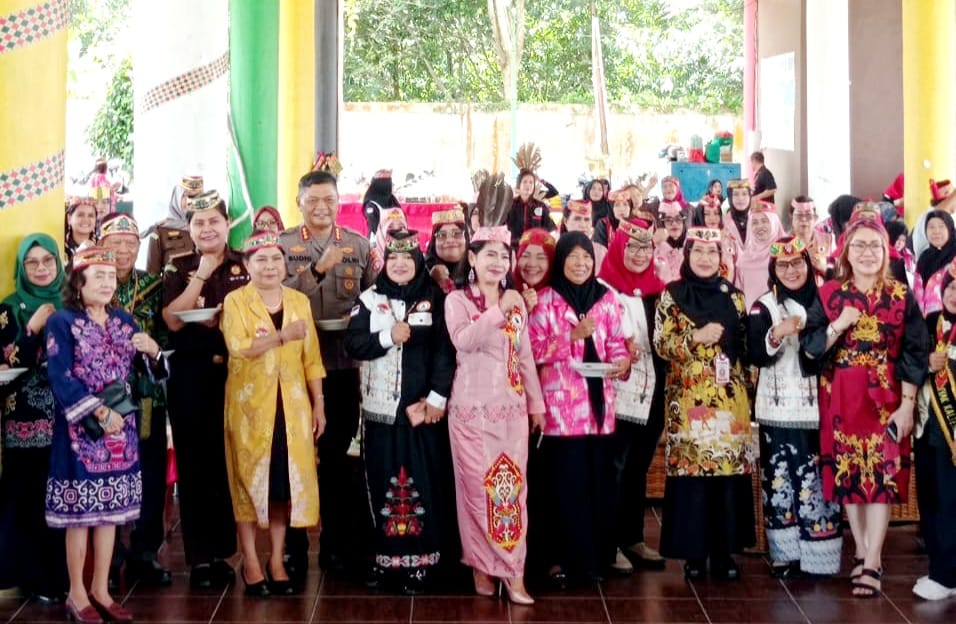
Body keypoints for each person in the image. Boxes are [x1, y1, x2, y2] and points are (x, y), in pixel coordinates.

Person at [802, 218, 928, 598]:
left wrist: (907, 406)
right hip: (841, 395)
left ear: (887, 252)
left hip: (887, 398)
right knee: (849, 476)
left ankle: (873, 560)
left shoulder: (901, 296)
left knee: (882, 478)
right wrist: (839, 325)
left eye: (875, 245)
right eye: (859, 245)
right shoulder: (829, 294)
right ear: (846, 252)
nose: (867, 253)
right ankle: (860, 549)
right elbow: (811, 349)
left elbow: (915, 351)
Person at [46, 246, 166, 624]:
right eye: (98, 276)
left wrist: (154, 352)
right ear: (78, 282)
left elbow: (149, 374)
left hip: (121, 432)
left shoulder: (124, 321)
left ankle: (101, 589)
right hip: (81, 432)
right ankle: (77, 593)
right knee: (81, 516)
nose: (106, 283)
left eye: (111, 277)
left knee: (110, 513)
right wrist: (99, 411)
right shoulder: (62, 322)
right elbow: (59, 377)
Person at [346, 230, 457, 595]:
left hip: (421, 413)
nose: (399, 264)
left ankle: (422, 563)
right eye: (393, 258)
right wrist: (387, 337)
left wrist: (436, 399)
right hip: (379, 414)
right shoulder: (369, 299)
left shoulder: (435, 299)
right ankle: (384, 560)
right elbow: (353, 343)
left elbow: (445, 352)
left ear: (418, 261)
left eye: (407, 258)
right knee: (379, 484)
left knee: (423, 483)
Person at [279, 170, 376, 577]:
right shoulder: (283, 245)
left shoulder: (358, 244)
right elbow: (276, 300)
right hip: (294, 368)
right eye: (313, 200)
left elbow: (374, 299)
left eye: (329, 200)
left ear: (339, 202)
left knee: (337, 457)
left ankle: (336, 546)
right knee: (296, 457)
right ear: (299, 202)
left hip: (341, 365)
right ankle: (294, 548)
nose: (322, 207)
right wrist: (317, 271)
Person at [444, 224, 545, 604]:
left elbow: (525, 355)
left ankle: (513, 572)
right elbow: (463, 341)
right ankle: (481, 567)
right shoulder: (457, 301)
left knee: (511, 491)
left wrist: (537, 404)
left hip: (512, 413)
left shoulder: (515, 299)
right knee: (475, 493)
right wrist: (497, 311)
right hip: (470, 414)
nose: (498, 262)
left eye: (504, 256)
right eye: (490, 254)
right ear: (472, 258)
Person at [221, 230, 325, 597]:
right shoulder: (236, 301)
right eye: (261, 260)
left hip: (292, 407)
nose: (269, 266)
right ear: (247, 265)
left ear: (285, 264)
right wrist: (281, 337)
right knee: (249, 483)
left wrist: (319, 403)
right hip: (251, 408)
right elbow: (238, 346)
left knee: (282, 487)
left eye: (276, 259)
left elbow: (312, 358)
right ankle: (251, 561)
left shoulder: (298, 301)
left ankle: (277, 560)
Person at [653, 227, 754, 580]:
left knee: (727, 477)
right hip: (688, 401)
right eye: (698, 252)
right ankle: (694, 553)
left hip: (730, 402)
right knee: (692, 476)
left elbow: (746, 346)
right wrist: (694, 337)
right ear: (687, 256)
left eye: (712, 252)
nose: (706, 258)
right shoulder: (671, 295)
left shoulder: (735, 298)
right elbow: (661, 344)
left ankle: (725, 552)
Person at [528, 232, 629, 584]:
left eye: (586, 257)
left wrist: (621, 362)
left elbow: (616, 343)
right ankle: (563, 561)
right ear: (560, 261)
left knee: (599, 486)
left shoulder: (607, 298)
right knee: (566, 489)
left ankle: (594, 561)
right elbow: (531, 350)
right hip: (561, 414)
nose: (580, 263)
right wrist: (569, 337)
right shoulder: (545, 299)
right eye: (573, 257)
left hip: (599, 413)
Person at [162, 190, 249, 589]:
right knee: (195, 465)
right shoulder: (178, 265)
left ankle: (225, 552)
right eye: (199, 223)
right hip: (191, 376)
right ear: (189, 228)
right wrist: (202, 272)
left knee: (227, 463)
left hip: (237, 373)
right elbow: (174, 320)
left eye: (214, 220)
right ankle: (200, 558)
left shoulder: (245, 263)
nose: (207, 228)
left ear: (227, 223)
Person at [747, 236, 842, 578]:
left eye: (797, 263)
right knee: (779, 479)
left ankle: (821, 554)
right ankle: (784, 553)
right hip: (777, 411)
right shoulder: (763, 306)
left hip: (821, 408)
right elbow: (753, 353)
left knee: (816, 479)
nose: (791, 271)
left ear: (808, 264)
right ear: (773, 270)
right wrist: (775, 335)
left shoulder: (826, 301)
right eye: (783, 265)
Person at [99, 214, 172, 587]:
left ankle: (145, 553)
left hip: (145, 397)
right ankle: (109, 560)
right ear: (102, 246)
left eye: (131, 243)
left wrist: (154, 348)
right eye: (116, 243)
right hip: (102, 400)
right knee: (106, 472)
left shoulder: (153, 285)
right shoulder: (91, 284)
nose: (124, 250)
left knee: (151, 474)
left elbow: (166, 338)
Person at [596, 219, 668, 573]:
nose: (639, 255)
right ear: (618, 248)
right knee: (613, 468)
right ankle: (607, 543)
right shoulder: (603, 289)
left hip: (652, 390)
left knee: (639, 465)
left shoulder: (659, 290)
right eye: (632, 247)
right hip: (616, 393)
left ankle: (632, 537)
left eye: (645, 247)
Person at [0, 234, 68, 603]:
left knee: (61, 500)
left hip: (68, 420)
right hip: (23, 421)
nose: (41, 268)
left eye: (48, 261)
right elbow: (8, 365)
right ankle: (31, 578)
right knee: (27, 500)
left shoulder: (71, 303)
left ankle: (59, 577)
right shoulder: (8, 309)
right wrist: (33, 330)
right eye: (32, 262)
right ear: (22, 267)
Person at [914, 261, 956, 600]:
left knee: (949, 499)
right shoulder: (930, 323)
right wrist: (927, 363)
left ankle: (947, 575)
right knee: (932, 497)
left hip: (951, 431)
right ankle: (940, 568)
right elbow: (908, 359)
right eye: (952, 288)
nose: (955, 295)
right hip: (930, 425)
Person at [145, 175, 204, 275]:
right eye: (186, 196)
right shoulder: (160, 232)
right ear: (177, 198)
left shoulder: (209, 228)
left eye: (197, 197)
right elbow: (152, 277)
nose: (192, 202)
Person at [736, 202, 786, 308]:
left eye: (764, 221)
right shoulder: (744, 259)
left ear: (774, 223)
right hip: (753, 315)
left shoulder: (787, 253)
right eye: (754, 222)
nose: (759, 227)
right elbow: (739, 295)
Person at [914, 211, 956, 316]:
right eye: (931, 227)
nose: (936, 231)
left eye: (941, 226)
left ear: (950, 229)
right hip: (925, 320)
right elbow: (918, 291)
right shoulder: (924, 257)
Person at [424, 206, 468, 294]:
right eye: (441, 235)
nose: (450, 240)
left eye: (457, 233)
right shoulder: (422, 273)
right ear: (433, 243)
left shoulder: (478, 268)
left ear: (467, 239)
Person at [506, 169, 556, 245]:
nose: (528, 185)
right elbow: (502, 226)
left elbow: (550, 228)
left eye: (531, 182)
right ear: (519, 185)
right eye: (525, 182)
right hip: (514, 247)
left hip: (534, 247)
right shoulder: (510, 205)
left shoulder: (540, 206)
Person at [513, 228, 556, 312]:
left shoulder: (560, 301)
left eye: (541, 257)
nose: (532, 264)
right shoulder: (504, 292)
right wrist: (521, 309)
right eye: (525, 256)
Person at [789, 196, 832, 279]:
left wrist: (824, 268)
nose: (804, 219)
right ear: (791, 217)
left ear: (815, 218)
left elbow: (840, 275)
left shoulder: (829, 240)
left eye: (808, 215)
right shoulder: (783, 243)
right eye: (799, 215)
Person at [563, 200, 607, 268]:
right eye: (577, 219)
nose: (583, 225)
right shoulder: (556, 250)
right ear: (566, 221)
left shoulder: (601, 251)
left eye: (587, 219)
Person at [652, 201, 687, 284]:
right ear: (663, 225)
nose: (674, 223)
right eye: (668, 220)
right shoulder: (655, 250)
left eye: (678, 219)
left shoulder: (692, 249)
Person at [363, 169, 401, 238]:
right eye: (385, 181)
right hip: (378, 241)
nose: (389, 184)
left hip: (395, 240)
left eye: (389, 180)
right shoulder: (371, 204)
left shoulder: (392, 200)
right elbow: (374, 226)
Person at [372, 207, 408, 273]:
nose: (396, 233)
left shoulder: (415, 258)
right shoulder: (370, 260)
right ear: (381, 232)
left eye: (401, 227)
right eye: (390, 228)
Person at [722, 179, 751, 251]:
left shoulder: (761, 220)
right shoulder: (721, 222)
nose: (740, 198)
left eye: (744, 194)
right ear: (730, 198)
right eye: (735, 194)